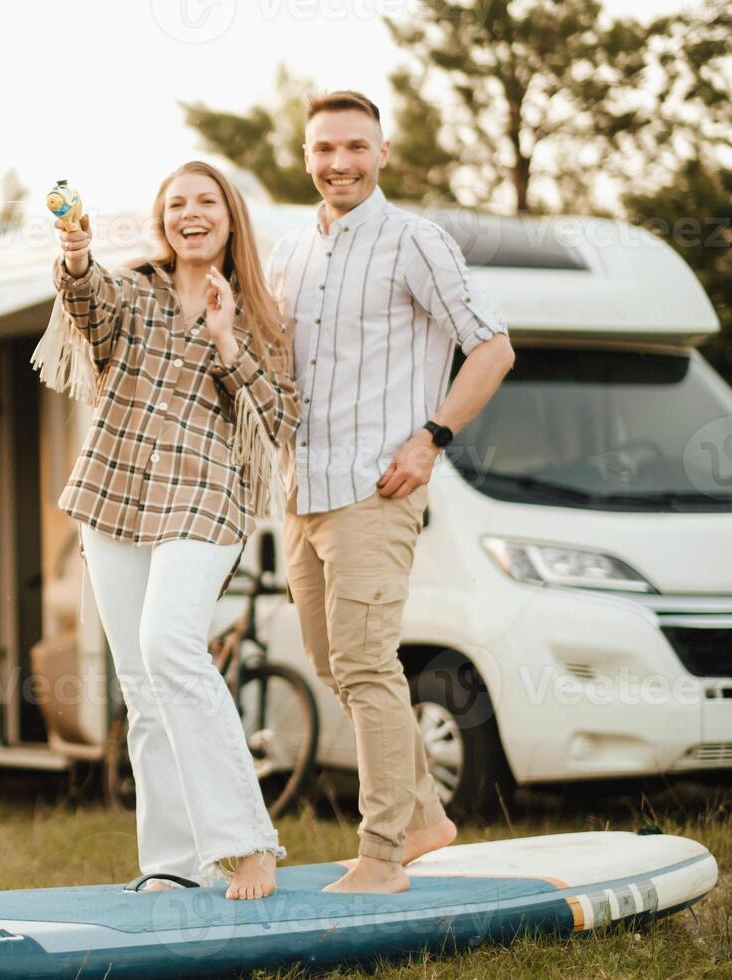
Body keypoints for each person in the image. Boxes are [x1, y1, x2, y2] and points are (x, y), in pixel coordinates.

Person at [269, 90, 516, 894]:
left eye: (353, 147)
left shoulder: (417, 241)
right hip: (301, 491)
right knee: (330, 660)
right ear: (306, 156)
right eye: (323, 149)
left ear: (381, 153)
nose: (337, 162)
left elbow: (492, 349)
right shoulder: (290, 250)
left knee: (369, 664)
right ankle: (424, 818)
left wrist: (431, 438)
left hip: (378, 488)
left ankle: (383, 855)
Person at [34, 161, 301, 900]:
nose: (191, 212)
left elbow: (279, 419)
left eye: (205, 201)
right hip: (115, 495)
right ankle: (175, 864)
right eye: (176, 203)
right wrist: (78, 255)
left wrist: (225, 341)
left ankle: (248, 843)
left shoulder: (260, 314)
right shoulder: (135, 289)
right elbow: (86, 308)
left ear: (229, 216)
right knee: (144, 688)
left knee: (170, 644)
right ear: (163, 220)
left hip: (206, 500)